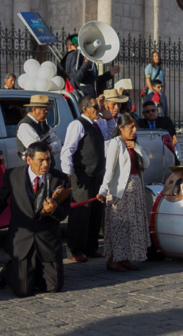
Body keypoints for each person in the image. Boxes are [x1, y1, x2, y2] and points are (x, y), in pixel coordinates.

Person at [0, 142, 70, 297]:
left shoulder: (59, 179)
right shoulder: (12, 175)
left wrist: (54, 209)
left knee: (54, 287)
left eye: (48, 159)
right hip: (22, 239)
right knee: (23, 291)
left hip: (47, 239)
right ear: (29, 160)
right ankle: (10, 270)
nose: (45, 164)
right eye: (40, 160)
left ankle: (34, 271)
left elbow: (65, 212)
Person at [61, 95, 115, 263]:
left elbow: (109, 136)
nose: (98, 111)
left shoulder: (97, 123)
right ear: (85, 109)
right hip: (82, 174)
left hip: (97, 173)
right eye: (95, 108)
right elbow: (68, 149)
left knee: (95, 211)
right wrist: (67, 172)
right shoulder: (77, 124)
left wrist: (109, 118)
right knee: (81, 213)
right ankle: (75, 249)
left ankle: (91, 247)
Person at [96, 114, 150, 272]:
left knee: (131, 226)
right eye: (130, 127)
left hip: (135, 190)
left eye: (135, 127)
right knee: (119, 225)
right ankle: (114, 259)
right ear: (121, 127)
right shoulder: (116, 143)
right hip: (121, 192)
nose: (134, 130)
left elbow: (146, 163)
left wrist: (137, 148)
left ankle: (124, 258)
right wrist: (103, 190)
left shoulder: (134, 144)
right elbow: (110, 169)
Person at [16, 95, 62, 161]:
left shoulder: (44, 125)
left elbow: (58, 142)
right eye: (45, 111)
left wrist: (50, 147)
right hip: (34, 168)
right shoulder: (25, 126)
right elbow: (37, 148)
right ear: (35, 109)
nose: (48, 114)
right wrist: (48, 147)